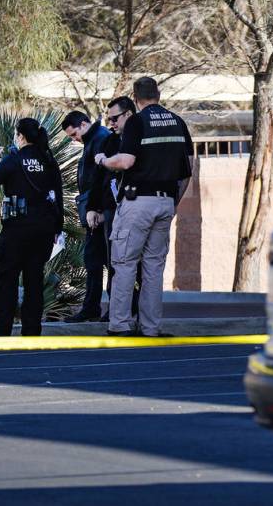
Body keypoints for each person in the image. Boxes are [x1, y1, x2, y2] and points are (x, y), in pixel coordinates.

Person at [95, 77, 193, 337]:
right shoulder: (178, 122)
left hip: (138, 202)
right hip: (165, 202)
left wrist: (104, 160)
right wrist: (173, 204)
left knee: (125, 263)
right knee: (153, 268)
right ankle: (150, 327)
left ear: (136, 98)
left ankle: (120, 324)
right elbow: (188, 170)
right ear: (158, 94)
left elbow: (126, 162)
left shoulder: (137, 122)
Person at [0, 117, 64, 337]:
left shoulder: (13, 159)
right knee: (34, 281)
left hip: (16, 228)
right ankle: (32, 332)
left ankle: (2, 333)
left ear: (20, 136)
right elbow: (58, 196)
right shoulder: (48, 160)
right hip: (43, 229)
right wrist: (58, 227)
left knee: (7, 281)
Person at [86, 96, 141, 321]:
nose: (113, 124)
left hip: (140, 205)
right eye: (109, 120)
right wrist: (94, 207)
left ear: (128, 113)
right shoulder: (109, 141)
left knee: (142, 265)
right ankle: (118, 310)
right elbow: (99, 176)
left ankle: (137, 309)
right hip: (113, 209)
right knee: (115, 262)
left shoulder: (141, 135)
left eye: (115, 118)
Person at [61, 110, 110, 322]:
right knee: (94, 261)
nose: (74, 140)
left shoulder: (99, 139)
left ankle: (101, 309)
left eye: (74, 135)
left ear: (83, 124)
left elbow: (101, 177)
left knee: (106, 261)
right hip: (95, 209)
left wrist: (96, 209)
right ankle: (92, 308)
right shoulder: (94, 139)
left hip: (99, 212)